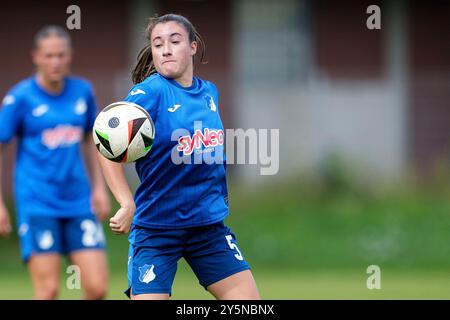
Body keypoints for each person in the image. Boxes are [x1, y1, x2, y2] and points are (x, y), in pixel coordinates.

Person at [97, 13, 260, 300]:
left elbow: (207, 152)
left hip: (207, 227)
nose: (166, 49)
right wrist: (126, 202)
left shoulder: (209, 92)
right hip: (157, 229)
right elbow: (106, 144)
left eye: (175, 41)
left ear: (193, 47)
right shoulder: (151, 92)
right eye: (158, 44)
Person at [0, 26, 110, 300]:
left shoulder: (82, 91)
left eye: (61, 55)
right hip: (38, 203)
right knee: (48, 290)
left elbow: (92, 140)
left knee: (97, 288)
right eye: (49, 55)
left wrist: (99, 188)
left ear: (69, 56)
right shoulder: (20, 98)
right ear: (36, 56)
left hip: (78, 202)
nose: (55, 62)